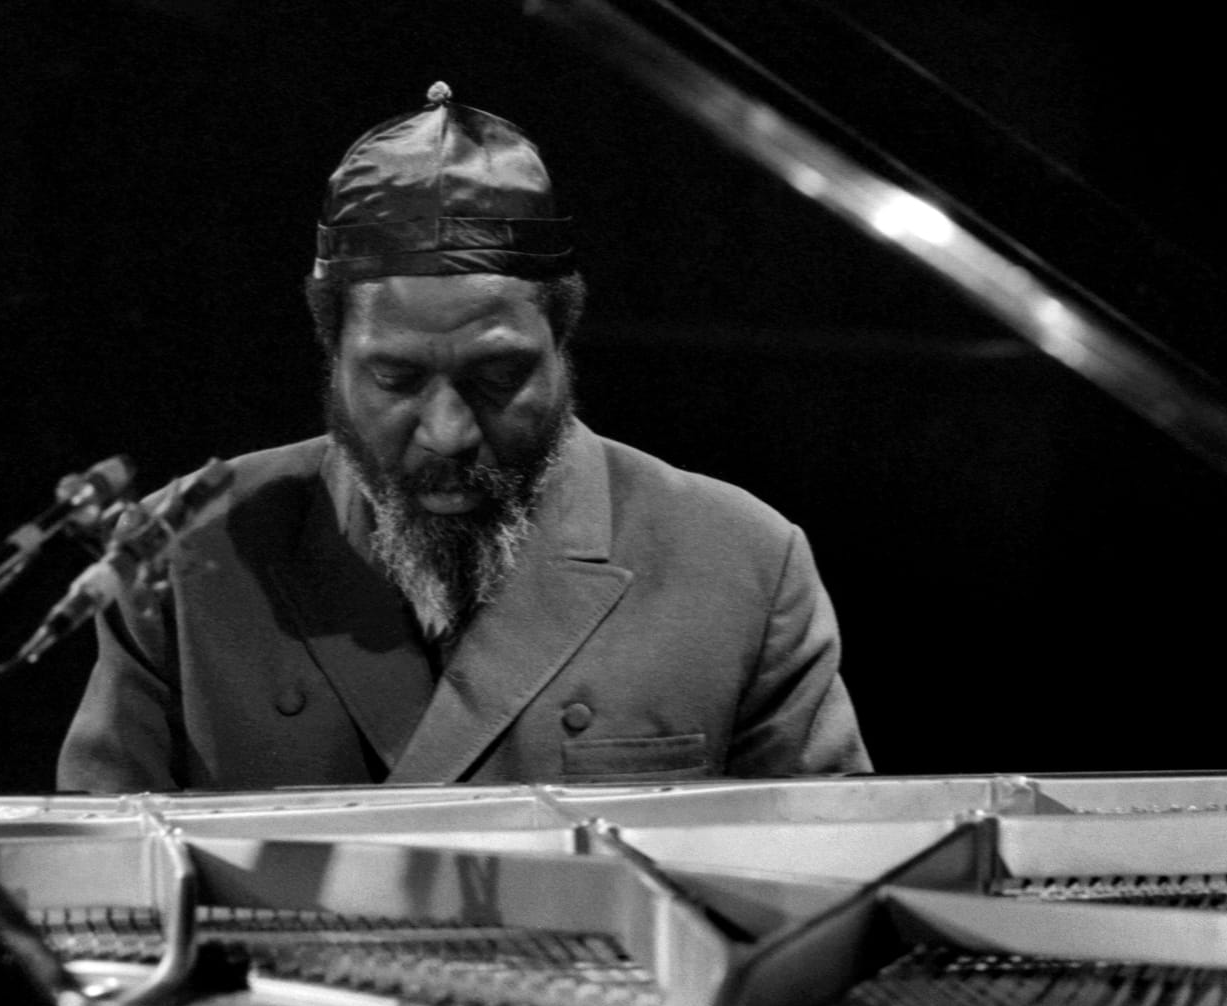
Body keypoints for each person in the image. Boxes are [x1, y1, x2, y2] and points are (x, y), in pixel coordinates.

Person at [58, 83, 867, 792]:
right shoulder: (182, 553)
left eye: (497, 377)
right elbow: (98, 885)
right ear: (331, 355)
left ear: (562, 343)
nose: (447, 432)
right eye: (396, 378)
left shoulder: (740, 563)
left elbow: (831, 875)